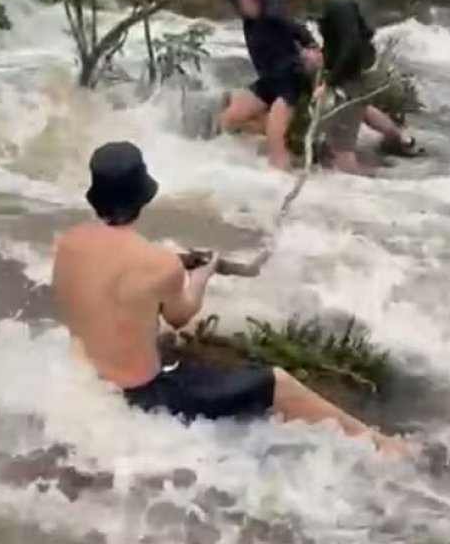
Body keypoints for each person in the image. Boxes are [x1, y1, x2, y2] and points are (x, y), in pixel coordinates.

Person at [52, 141, 408, 454]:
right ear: (142, 197)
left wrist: (175, 266)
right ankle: (382, 446)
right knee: (277, 382)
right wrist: (202, 275)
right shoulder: (158, 263)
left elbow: (112, 281)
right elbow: (181, 314)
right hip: (143, 398)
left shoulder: (68, 243)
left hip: (92, 379)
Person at [290, 0, 422, 176]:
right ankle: (401, 140)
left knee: (340, 150)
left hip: (354, 77)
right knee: (361, 109)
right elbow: (361, 34)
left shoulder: (337, 3)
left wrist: (329, 82)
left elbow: (350, 47)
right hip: (366, 69)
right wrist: (326, 55)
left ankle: (370, 193)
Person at [217, 0, 320, 171]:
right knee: (228, 119)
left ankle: (281, 180)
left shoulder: (275, 17)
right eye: (243, 2)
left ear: (261, 0)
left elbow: (302, 32)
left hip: (290, 81)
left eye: (251, 2)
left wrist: (312, 50)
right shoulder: (246, 16)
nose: (246, 6)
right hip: (267, 81)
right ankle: (257, 148)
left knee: (275, 139)